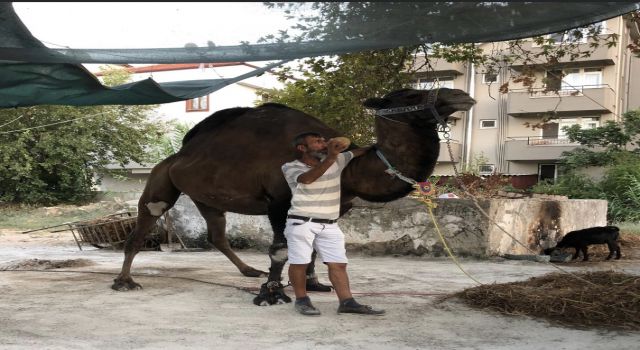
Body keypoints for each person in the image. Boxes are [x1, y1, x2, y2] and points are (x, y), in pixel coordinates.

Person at [281, 131, 385, 316]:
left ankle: (347, 302)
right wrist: (331, 156)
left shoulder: (338, 159)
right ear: (302, 148)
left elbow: (362, 151)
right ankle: (302, 301)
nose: (323, 143)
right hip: (302, 223)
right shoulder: (291, 166)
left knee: (338, 263)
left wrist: (376, 144)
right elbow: (307, 179)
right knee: (300, 263)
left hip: (330, 224)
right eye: (317, 142)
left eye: (323, 140)